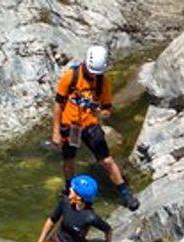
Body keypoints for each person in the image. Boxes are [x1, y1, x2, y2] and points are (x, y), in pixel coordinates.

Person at [51, 44, 140, 211]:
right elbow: (58, 104)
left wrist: (99, 112)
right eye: (91, 71)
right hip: (71, 126)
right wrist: (56, 131)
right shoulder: (70, 77)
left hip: (90, 125)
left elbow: (107, 109)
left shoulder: (102, 82)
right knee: (69, 160)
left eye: (96, 73)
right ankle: (69, 190)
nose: (93, 75)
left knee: (107, 161)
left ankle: (125, 193)